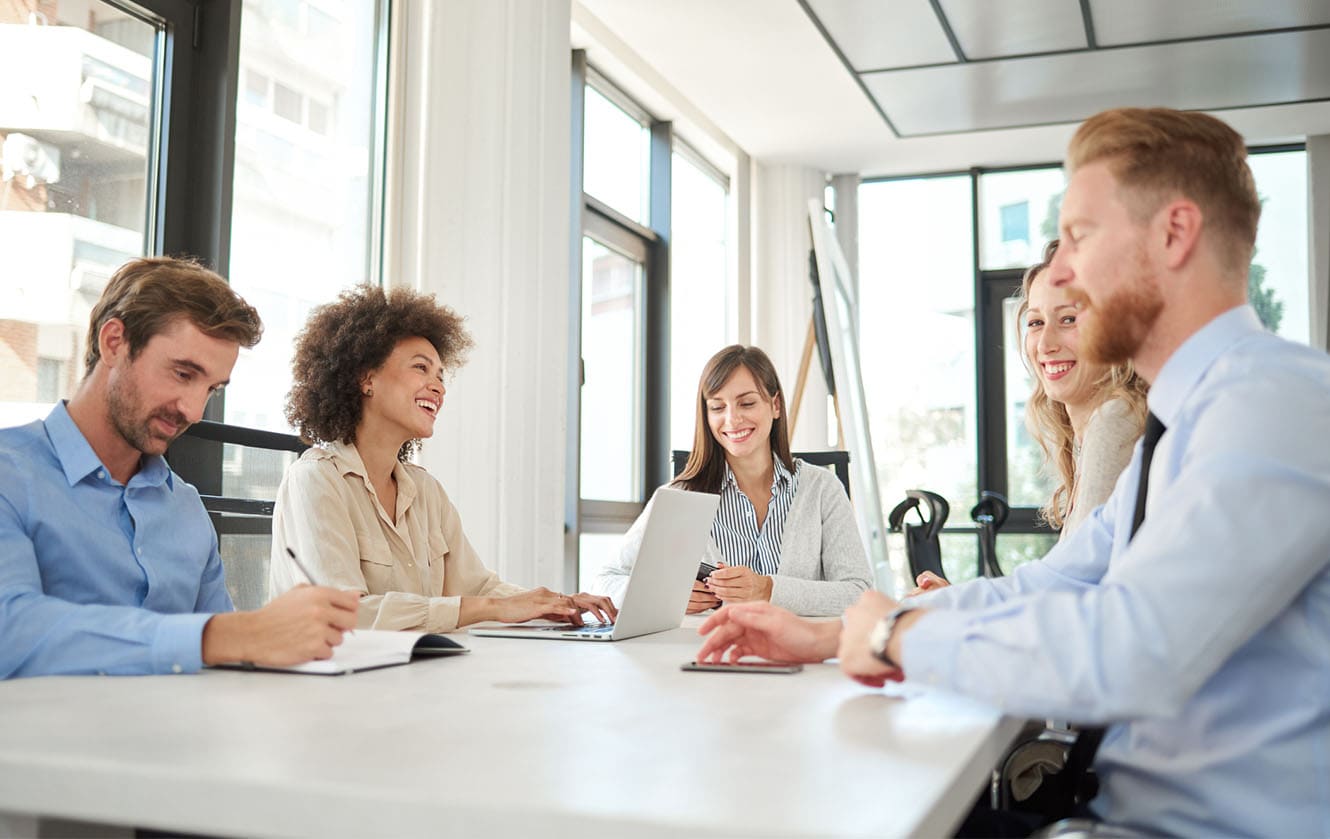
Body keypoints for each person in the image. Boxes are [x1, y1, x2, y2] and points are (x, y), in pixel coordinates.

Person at [698, 107, 1330, 837]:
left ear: (1174, 233)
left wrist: (897, 639)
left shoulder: (1272, 402)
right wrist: (832, 630)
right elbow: (1053, 580)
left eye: (1079, 236)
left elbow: (1130, 647)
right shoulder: (1180, 427)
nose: (1060, 271)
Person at [0, 257, 360, 679]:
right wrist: (221, 637)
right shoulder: (12, 474)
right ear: (114, 342)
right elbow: (10, 631)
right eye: (183, 373)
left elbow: (224, 663)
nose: (192, 409)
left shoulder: (185, 509)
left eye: (210, 388)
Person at [269, 285, 616, 632]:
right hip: (335, 681)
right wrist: (493, 607)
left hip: (413, 675)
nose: (438, 387)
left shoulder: (425, 491)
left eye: (440, 376)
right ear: (366, 378)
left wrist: (556, 604)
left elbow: (478, 589)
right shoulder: (315, 479)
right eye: (421, 368)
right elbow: (345, 615)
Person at [910, 240, 1147, 595]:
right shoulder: (1095, 431)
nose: (1046, 342)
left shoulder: (1116, 421)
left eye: (1068, 319)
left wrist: (958, 608)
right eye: (1036, 322)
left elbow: (1071, 594)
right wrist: (956, 601)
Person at [596, 345, 871, 616]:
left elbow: (859, 593)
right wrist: (664, 596)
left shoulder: (822, 489)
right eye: (717, 407)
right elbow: (605, 581)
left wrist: (768, 589)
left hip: (798, 654)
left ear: (775, 405)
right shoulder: (680, 495)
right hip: (703, 655)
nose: (732, 419)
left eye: (747, 403)